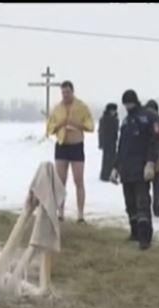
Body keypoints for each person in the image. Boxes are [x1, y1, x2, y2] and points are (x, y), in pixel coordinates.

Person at [110, 90, 159, 251]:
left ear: (135, 101)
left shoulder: (148, 118)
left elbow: (154, 143)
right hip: (126, 169)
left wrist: (150, 163)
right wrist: (115, 168)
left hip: (141, 169)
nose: (127, 106)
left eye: (129, 103)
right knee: (130, 204)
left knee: (142, 203)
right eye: (125, 104)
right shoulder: (126, 121)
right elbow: (121, 147)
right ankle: (135, 233)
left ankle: (145, 238)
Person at [46, 81, 95, 223]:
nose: (65, 95)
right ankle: (60, 212)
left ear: (72, 92)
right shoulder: (57, 108)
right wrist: (60, 124)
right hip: (62, 146)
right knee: (60, 181)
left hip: (76, 145)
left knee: (78, 180)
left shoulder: (81, 107)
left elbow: (90, 126)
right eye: (63, 92)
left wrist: (76, 124)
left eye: (68, 92)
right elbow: (49, 128)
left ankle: (80, 214)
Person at [98, 103, 119, 182]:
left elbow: (116, 131)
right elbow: (101, 131)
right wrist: (101, 143)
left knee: (113, 158)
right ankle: (105, 175)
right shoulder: (104, 119)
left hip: (113, 141)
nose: (113, 112)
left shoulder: (115, 119)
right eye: (112, 110)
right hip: (106, 141)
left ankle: (111, 174)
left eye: (114, 110)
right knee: (106, 159)